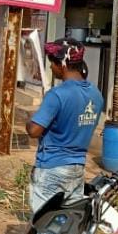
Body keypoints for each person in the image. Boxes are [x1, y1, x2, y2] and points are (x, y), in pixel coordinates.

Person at [25, 38, 103, 214]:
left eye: (52, 63)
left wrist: (29, 121)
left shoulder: (58, 94)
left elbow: (34, 131)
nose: (51, 67)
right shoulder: (95, 94)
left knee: (44, 223)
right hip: (77, 169)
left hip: (52, 167)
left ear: (62, 64)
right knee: (67, 221)